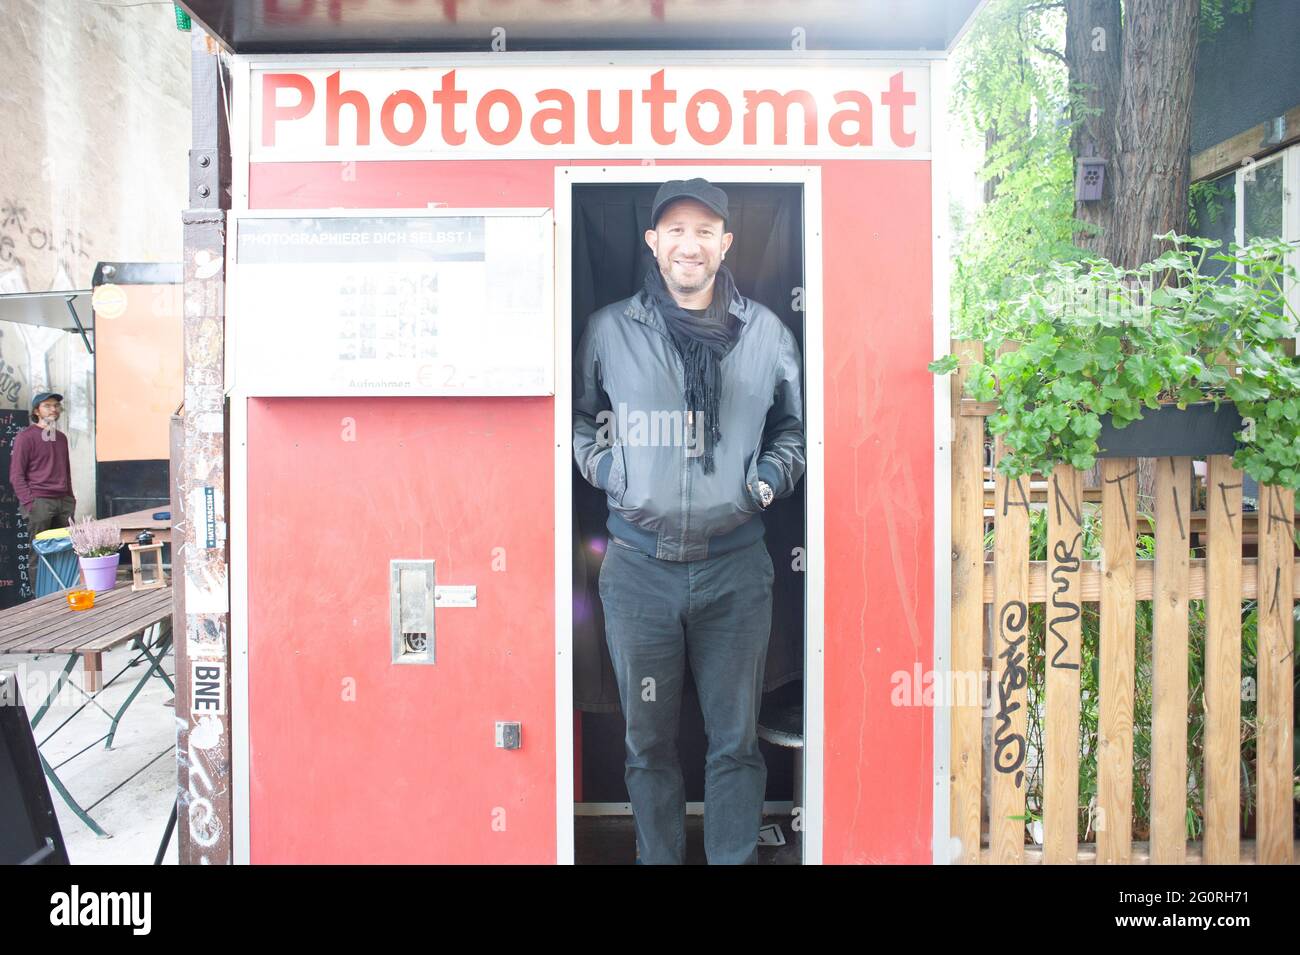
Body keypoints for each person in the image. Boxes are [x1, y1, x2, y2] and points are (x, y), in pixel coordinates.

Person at [573, 178, 805, 864]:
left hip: (735, 569)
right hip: (638, 571)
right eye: (675, 229)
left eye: (705, 230)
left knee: (734, 742)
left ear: (726, 242)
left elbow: (792, 429)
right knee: (647, 743)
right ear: (652, 241)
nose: (690, 244)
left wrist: (765, 482)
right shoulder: (611, 329)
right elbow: (581, 419)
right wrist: (610, 471)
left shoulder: (766, 332)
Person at [10, 391, 76, 587]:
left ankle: (59, 594)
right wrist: (30, 504)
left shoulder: (62, 438)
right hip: (40, 502)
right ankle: (39, 600)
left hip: (63, 502)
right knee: (38, 554)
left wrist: (70, 499)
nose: (53, 409)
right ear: (36, 411)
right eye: (47, 405)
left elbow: (66, 471)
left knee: (64, 552)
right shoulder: (26, 437)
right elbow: (16, 475)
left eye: (55, 405)